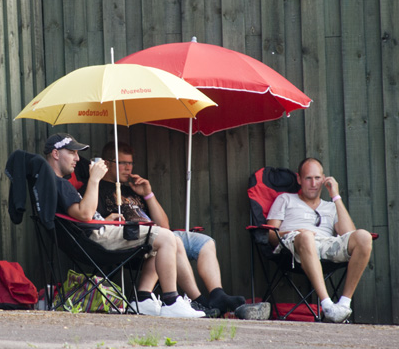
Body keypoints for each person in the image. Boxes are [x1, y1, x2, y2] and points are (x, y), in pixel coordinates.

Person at [88, 141, 263, 318]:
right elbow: (95, 221)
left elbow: (164, 225)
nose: (128, 168)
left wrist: (148, 194)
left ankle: (217, 294)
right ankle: (198, 301)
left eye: (131, 163)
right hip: (133, 240)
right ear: (107, 163)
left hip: (158, 233)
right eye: (122, 163)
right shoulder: (97, 188)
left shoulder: (133, 190)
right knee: (169, 239)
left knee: (205, 242)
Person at [44, 133, 205, 318]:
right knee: (166, 237)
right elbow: (85, 214)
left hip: (97, 231)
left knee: (164, 241)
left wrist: (104, 220)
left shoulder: (56, 183)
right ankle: (171, 301)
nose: (77, 158)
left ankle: (143, 299)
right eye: (72, 152)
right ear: (56, 154)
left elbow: (79, 218)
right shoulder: (58, 183)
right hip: (95, 239)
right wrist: (95, 179)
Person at [266, 157, 373, 323]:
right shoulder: (285, 199)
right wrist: (297, 232)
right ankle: (328, 305)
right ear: (299, 179)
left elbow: (349, 234)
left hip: (325, 246)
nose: (313, 183)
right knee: (307, 236)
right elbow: (271, 236)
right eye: (308, 178)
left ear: (324, 180)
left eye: (317, 178)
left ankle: (344, 304)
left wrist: (335, 196)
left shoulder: (331, 206)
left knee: (364, 237)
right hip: (293, 246)